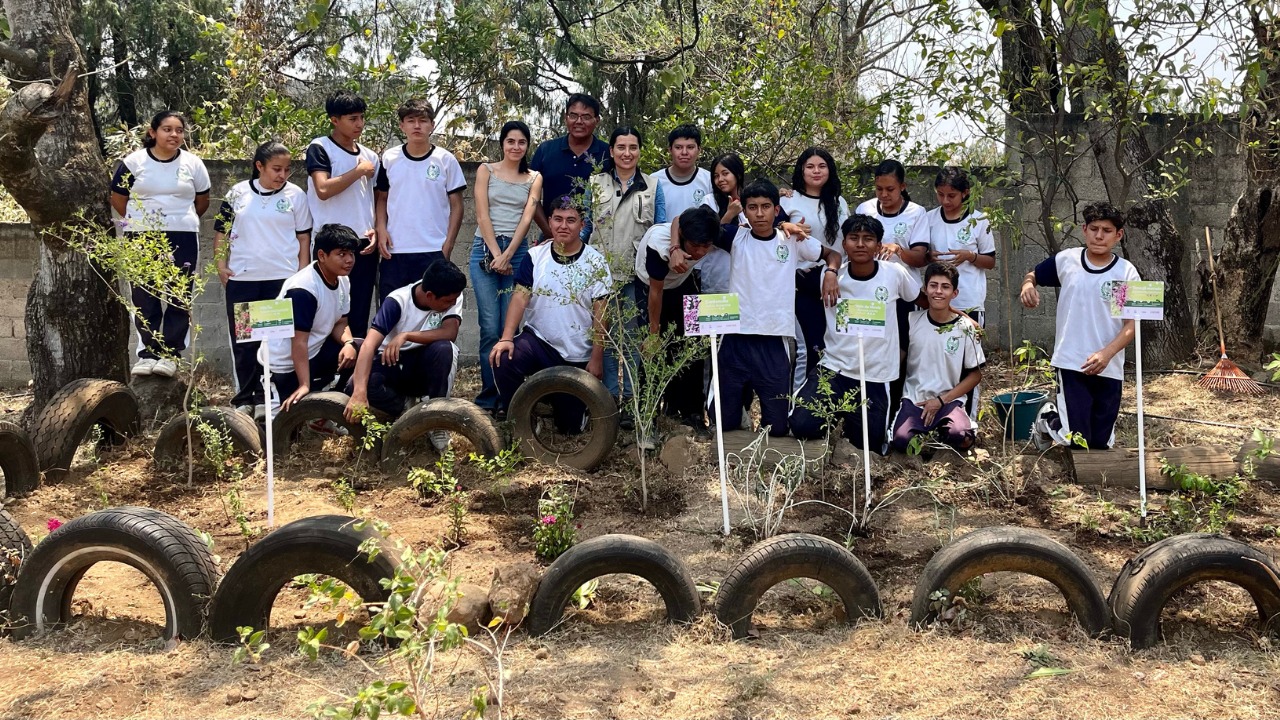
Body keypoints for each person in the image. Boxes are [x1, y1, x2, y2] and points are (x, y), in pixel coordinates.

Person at [711, 179, 840, 437]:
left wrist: (831, 273)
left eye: (766, 207)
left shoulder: (792, 239)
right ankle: (737, 414)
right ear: (745, 211)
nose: (760, 213)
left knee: (778, 428)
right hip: (736, 336)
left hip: (774, 338)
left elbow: (832, 255)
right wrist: (731, 213)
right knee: (721, 422)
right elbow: (709, 229)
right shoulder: (736, 237)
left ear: (777, 209)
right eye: (753, 207)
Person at [791, 215, 924, 454]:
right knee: (801, 425)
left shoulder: (894, 273)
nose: (860, 244)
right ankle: (835, 421)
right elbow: (783, 275)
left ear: (878, 244)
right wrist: (783, 224)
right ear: (844, 244)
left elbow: (920, 299)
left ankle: (855, 422)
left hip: (875, 374)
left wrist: (959, 316)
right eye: (854, 238)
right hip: (835, 368)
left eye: (868, 239)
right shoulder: (829, 276)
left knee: (869, 447)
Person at [1021, 201, 1138, 451]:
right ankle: (1047, 420)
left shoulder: (1125, 272)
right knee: (1077, 440)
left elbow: (1131, 326)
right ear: (1084, 229)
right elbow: (1033, 274)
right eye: (1094, 228)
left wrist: (1107, 354)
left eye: (1106, 230)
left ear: (1118, 235)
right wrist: (1027, 286)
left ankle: (1053, 421)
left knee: (1098, 444)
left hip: (1109, 365)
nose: (1099, 235)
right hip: (1071, 360)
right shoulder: (1067, 260)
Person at [490, 196, 612, 428]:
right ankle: (523, 420)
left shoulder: (595, 262)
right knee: (503, 358)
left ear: (582, 225)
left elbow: (601, 313)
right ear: (549, 221)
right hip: (539, 343)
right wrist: (506, 338)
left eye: (570, 220)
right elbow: (519, 297)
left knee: (570, 428)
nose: (563, 226)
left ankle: (561, 406)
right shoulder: (536, 257)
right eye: (557, 219)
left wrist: (597, 359)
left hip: (576, 356)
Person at [214, 141, 313, 418]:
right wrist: (222, 265)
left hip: (281, 280)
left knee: (274, 343)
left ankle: (266, 398)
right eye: (276, 169)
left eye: (287, 170)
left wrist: (301, 273)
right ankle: (245, 398)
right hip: (245, 279)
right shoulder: (238, 193)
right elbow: (221, 232)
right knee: (245, 343)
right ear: (259, 166)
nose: (282, 175)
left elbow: (303, 236)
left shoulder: (296, 196)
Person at [110, 110, 211, 378]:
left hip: (183, 234)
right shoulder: (133, 162)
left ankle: (171, 354)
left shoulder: (193, 164)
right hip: (142, 235)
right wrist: (138, 222)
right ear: (153, 132)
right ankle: (148, 352)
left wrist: (179, 219)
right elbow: (118, 198)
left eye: (179, 130)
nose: (174, 135)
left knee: (179, 294)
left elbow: (202, 201)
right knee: (145, 293)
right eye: (167, 129)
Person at [584, 125, 667, 408]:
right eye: (621, 147)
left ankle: (630, 402)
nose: (627, 153)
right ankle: (605, 400)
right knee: (601, 338)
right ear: (611, 151)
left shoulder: (653, 186)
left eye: (633, 147)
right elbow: (585, 227)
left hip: (634, 275)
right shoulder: (595, 183)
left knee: (631, 341)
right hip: (599, 275)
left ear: (640, 151)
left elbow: (661, 228)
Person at [471, 120, 543, 413]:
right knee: (490, 326)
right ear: (502, 143)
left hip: (517, 253)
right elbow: (481, 213)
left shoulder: (534, 177)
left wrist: (508, 254)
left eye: (521, 142)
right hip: (483, 251)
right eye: (510, 141)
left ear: (527, 146)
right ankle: (489, 396)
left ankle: (508, 398)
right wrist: (495, 253)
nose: (516, 147)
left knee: (509, 328)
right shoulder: (485, 170)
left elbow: (527, 218)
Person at [634, 205, 721, 433]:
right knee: (653, 349)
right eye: (695, 246)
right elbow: (656, 292)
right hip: (651, 288)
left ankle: (692, 412)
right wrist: (654, 334)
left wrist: (678, 246)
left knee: (693, 347)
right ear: (683, 236)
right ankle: (647, 417)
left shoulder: (695, 224)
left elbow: (677, 217)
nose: (701, 252)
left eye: (707, 246)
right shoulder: (657, 246)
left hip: (683, 283)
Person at [344, 260, 467, 420]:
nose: (452, 304)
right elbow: (369, 345)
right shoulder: (397, 301)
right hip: (392, 362)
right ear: (430, 295)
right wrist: (359, 393)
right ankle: (402, 407)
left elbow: (450, 332)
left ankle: (437, 414)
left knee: (445, 349)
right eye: (448, 301)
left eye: (454, 300)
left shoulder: (452, 294)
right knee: (354, 386)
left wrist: (406, 335)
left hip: (422, 363)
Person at [374, 99, 467, 301]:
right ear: (402, 125)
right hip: (395, 250)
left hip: (432, 250)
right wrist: (381, 229)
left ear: (432, 125)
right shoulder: (389, 158)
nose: (417, 126)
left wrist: (448, 245)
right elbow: (381, 198)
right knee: (391, 312)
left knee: (430, 315)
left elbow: (457, 206)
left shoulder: (445, 160)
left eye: (423, 120)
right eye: (411, 120)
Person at [262, 224, 360, 413]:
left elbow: (340, 322)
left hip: (314, 351)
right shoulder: (303, 289)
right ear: (322, 255)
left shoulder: (343, 280)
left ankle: (324, 416)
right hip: (285, 364)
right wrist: (304, 384)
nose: (349, 260)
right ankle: (301, 391)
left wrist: (348, 343)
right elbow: (298, 341)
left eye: (351, 254)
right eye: (342, 254)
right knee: (281, 430)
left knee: (361, 349)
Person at [306, 90, 380, 336]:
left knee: (358, 311)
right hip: (331, 242)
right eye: (352, 118)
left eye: (361, 117)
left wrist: (378, 229)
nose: (359, 124)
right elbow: (323, 189)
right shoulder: (320, 147)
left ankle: (354, 371)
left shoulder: (370, 156)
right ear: (334, 120)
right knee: (326, 310)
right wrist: (358, 171)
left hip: (363, 243)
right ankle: (324, 371)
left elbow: (378, 197)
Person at [889, 262, 984, 453]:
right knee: (901, 441)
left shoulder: (965, 328)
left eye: (945, 287)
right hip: (914, 399)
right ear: (925, 289)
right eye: (933, 285)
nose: (938, 291)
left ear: (954, 293)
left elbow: (976, 375)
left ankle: (942, 433)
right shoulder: (911, 321)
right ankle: (923, 435)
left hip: (949, 401)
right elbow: (896, 360)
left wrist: (941, 401)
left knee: (962, 437)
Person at [782, 148, 850, 384]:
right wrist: (786, 227)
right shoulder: (788, 199)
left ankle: (829, 408)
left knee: (836, 346)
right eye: (810, 166)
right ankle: (799, 409)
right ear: (801, 170)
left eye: (822, 166)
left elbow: (846, 240)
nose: (816, 171)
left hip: (837, 281)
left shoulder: (839, 202)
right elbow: (772, 232)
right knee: (809, 348)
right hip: (804, 280)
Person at [529, 94, 610, 239]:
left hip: (596, 241)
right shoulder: (546, 151)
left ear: (596, 120)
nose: (579, 121)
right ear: (566, 117)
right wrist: (550, 232)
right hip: (551, 239)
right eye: (573, 115)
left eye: (586, 117)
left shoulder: (608, 154)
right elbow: (530, 197)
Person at [927, 167, 997, 326]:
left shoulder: (979, 220)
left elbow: (990, 262)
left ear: (965, 193)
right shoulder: (929, 218)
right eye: (940, 194)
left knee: (970, 347)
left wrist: (970, 256)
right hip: (938, 301)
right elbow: (922, 255)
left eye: (951, 196)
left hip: (968, 301)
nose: (945, 201)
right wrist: (929, 257)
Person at [854, 160, 929, 269]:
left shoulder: (916, 213)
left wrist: (898, 250)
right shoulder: (864, 209)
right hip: (870, 280)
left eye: (890, 189)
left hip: (904, 282)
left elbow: (920, 258)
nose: (884, 194)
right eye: (879, 189)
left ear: (902, 186)